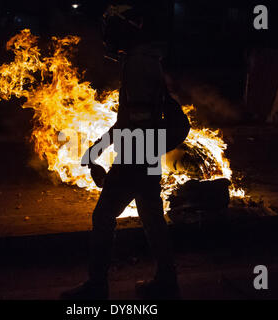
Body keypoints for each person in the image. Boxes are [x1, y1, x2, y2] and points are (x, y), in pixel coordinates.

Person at [60, 4, 180, 300]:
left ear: (126, 29)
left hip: (137, 153)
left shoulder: (138, 63)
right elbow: (130, 120)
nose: (108, 37)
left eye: (112, 28)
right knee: (151, 216)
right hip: (146, 153)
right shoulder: (146, 59)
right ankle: (167, 281)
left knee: (103, 216)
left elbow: (134, 124)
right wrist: (96, 151)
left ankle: (97, 287)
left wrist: (116, 161)